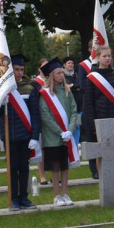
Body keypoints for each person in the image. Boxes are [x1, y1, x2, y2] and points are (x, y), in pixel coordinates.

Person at [81, 46, 114, 178]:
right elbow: (88, 104)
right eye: (104, 56)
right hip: (99, 122)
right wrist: (92, 125)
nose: (107, 58)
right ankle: (103, 179)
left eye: (109, 56)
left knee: (112, 151)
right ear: (98, 58)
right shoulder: (91, 78)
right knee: (101, 152)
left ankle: (111, 180)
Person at [38, 58, 78, 206]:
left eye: (62, 72)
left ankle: (65, 193)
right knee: (55, 167)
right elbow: (45, 115)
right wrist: (60, 131)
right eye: (59, 73)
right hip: (53, 137)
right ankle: (57, 195)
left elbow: (74, 110)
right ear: (51, 75)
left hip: (67, 136)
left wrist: (70, 130)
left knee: (64, 166)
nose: (62, 75)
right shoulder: (45, 94)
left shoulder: (67, 91)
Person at [3, 54, 39, 210]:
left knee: (24, 168)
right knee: (12, 168)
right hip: (10, 136)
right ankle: (14, 199)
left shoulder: (29, 88)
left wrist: (35, 136)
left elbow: (35, 114)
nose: (18, 73)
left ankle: (24, 197)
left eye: (21, 69)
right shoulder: (4, 89)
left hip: (25, 136)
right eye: (16, 69)